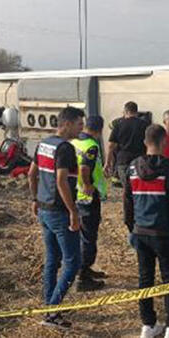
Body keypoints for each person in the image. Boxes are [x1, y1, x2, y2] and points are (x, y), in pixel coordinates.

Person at [125, 124, 169, 338]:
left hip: (141, 232)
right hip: (164, 234)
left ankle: (148, 325)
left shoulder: (132, 168)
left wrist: (130, 228)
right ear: (164, 142)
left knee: (144, 278)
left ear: (145, 142)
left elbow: (127, 202)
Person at [27, 106, 85, 328]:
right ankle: (52, 311)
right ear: (67, 124)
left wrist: (35, 198)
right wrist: (73, 211)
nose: (81, 128)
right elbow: (61, 181)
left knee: (52, 260)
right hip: (60, 212)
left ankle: (49, 304)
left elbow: (31, 174)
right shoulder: (65, 148)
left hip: (44, 209)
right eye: (79, 124)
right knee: (73, 262)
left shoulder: (44, 144)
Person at [71, 116, 107, 292]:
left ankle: (85, 269)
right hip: (88, 197)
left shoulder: (74, 141)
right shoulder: (91, 145)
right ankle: (82, 277)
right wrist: (87, 184)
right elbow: (85, 168)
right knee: (89, 236)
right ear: (99, 130)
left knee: (83, 234)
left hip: (76, 194)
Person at [106, 101, 149, 192]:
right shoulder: (145, 125)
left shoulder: (119, 125)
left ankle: (127, 200)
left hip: (123, 161)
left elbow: (111, 146)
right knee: (138, 188)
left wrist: (107, 162)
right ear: (136, 112)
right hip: (140, 161)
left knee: (127, 189)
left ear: (126, 111)